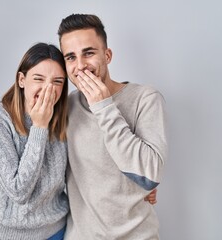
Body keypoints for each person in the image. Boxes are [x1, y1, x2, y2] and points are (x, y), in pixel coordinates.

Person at [58, 14, 168, 239]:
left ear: (107, 55)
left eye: (88, 53)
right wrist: (0, 182)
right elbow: (47, 166)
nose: (80, 66)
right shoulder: (66, 107)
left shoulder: (145, 99)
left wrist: (103, 107)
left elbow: (149, 175)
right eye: (71, 57)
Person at [0, 43, 70, 240]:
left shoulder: (65, 119)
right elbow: (19, 192)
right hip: (7, 236)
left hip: (57, 232)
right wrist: (39, 127)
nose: (48, 88)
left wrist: (139, 190)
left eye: (57, 81)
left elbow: (86, 170)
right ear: (21, 79)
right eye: (39, 79)